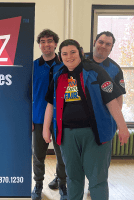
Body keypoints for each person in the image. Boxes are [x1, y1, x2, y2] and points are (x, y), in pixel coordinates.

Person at [43, 39, 130, 200]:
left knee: (97, 180)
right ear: (60, 57)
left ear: (81, 53)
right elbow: (50, 104)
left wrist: (122, 127)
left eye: (73, 52)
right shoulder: (58, 76)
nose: (69, 56)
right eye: (64, 53)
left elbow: (112, 100)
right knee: (73, 178)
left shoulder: (96, 72)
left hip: (95, 134)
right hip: (67, 135)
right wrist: (45, 128)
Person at [31, 29, 67, 200]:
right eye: (43, 41)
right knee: (38, 155)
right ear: (39, 45)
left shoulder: (65, 66)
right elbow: (26, 94)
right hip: (38, 118)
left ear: (55, 44)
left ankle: (62, 184)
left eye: (50, 41)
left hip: (62, 119)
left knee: (63, 155)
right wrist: (28, 118)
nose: (46, 44)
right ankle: (38, 184)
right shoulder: (33, 66)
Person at [87, 31, 126, 109]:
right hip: (80, 114)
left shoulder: (116, 69)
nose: (103, 46)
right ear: (94, 42)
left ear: (111, 47)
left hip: (103, 115)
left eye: (108, 44)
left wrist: (115, 120)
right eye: (101, 42)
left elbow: (118, 97)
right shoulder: (80, 59)